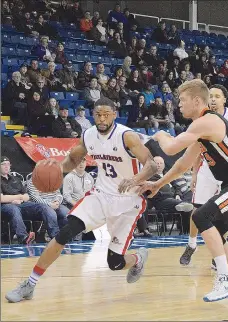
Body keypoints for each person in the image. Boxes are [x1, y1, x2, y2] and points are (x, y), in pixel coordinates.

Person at [123, 79, 228, 302]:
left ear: (197, 100)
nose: (178, 105)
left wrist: (159, 135)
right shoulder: (202, 130)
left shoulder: (205, 122)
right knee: (215, 229)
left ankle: (225, 280)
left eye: (182, 100)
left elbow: (169, 148)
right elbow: (182, 165)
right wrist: (157, 184)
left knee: (201, 216)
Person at [5, 97, 158, 303]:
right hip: (100, 195)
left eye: (106, 114)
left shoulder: (126, 136)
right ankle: (30, 284)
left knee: (115, 263)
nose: (102, 119)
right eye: (98, 114)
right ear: (92, 115)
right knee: (64, 233)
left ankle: (138, 258)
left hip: (128, 202)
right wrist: (56, 168)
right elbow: (71, 160)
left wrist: (135, 179)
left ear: (114, 114)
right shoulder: (88, 136)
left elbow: (151, 165)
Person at [179, 84, 228, 266]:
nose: (214, 99)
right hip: (207, 169)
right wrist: (194, 174)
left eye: (218, 96)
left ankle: (219, 256)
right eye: (211, 96)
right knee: (197, 210)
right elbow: (196, 148)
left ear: (225, 99)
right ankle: (192, 244)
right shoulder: (203, 119)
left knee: (223, 213)